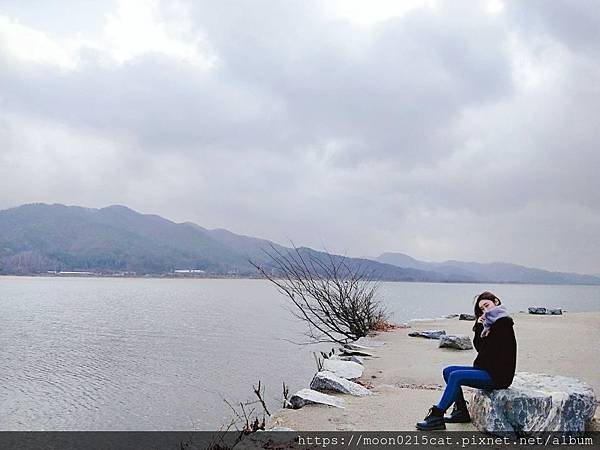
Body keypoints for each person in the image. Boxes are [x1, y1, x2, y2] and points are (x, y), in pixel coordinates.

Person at [415, 291, 517, 431]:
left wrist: (484, 328)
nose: (485, 311)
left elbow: (489, 352)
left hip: (498, 376)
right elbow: (481, 349)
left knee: (456, 376)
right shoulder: (490, 324)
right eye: (482, 309)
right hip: (486, 369)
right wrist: (479, 327)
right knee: (448, 371)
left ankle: (437, 416)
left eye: (487, 305)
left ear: (496, 302)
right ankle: (461, 412)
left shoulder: (503, 323)